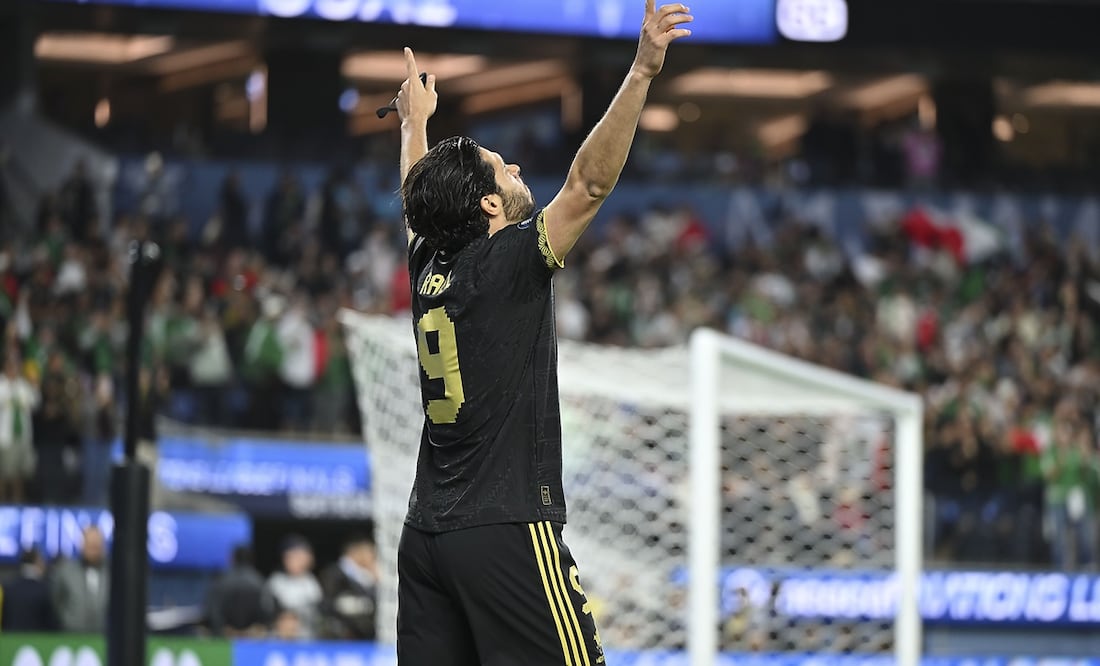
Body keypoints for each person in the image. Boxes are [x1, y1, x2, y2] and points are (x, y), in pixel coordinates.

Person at [392, 3, 693, 664]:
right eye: (507, 171)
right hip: (503, 533)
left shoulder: (428, 263)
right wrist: (643, 68)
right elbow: (588, 183)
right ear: (490, 206)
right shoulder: (509, 262)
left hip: (426, 540)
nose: (521, 173)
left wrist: (416, 124)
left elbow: (419, 204)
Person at [204, 545, 275, 637]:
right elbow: (268, 611)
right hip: (252, 638)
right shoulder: (260, 581)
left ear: (232, 559)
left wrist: (220, 629)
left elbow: (212, 611)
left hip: (226, 637)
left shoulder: (220, 580)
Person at [49, 525, 110, 632]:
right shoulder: (65, 572)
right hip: (72, 638)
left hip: (104, 638)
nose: (93, 550)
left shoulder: (113, 574)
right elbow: (57, 603)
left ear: (103, 547)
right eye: (89, 545)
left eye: (96, 546)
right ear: (82, 545)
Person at [319, 533, 379, 640]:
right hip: (340, 636)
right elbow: (327, 603)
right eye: (369, 552)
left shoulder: (368, 576)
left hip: (365, 635)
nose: (372, 556)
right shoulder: (334, 573)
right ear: (355, 552)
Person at [265, 534, 323, 639]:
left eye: (300, 557)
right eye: (291, 557)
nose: (297, 561)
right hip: (279, 639)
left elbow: (318, 615)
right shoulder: (276, 581)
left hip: (307, 638)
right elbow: (268, 612)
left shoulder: (312, 583)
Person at [1, 548, 58, 631]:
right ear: (37, 562)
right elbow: (52, 625)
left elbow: (4, 621)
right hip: (37, 642)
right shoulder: (45, 590)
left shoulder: (8, 588)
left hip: (12, 640)